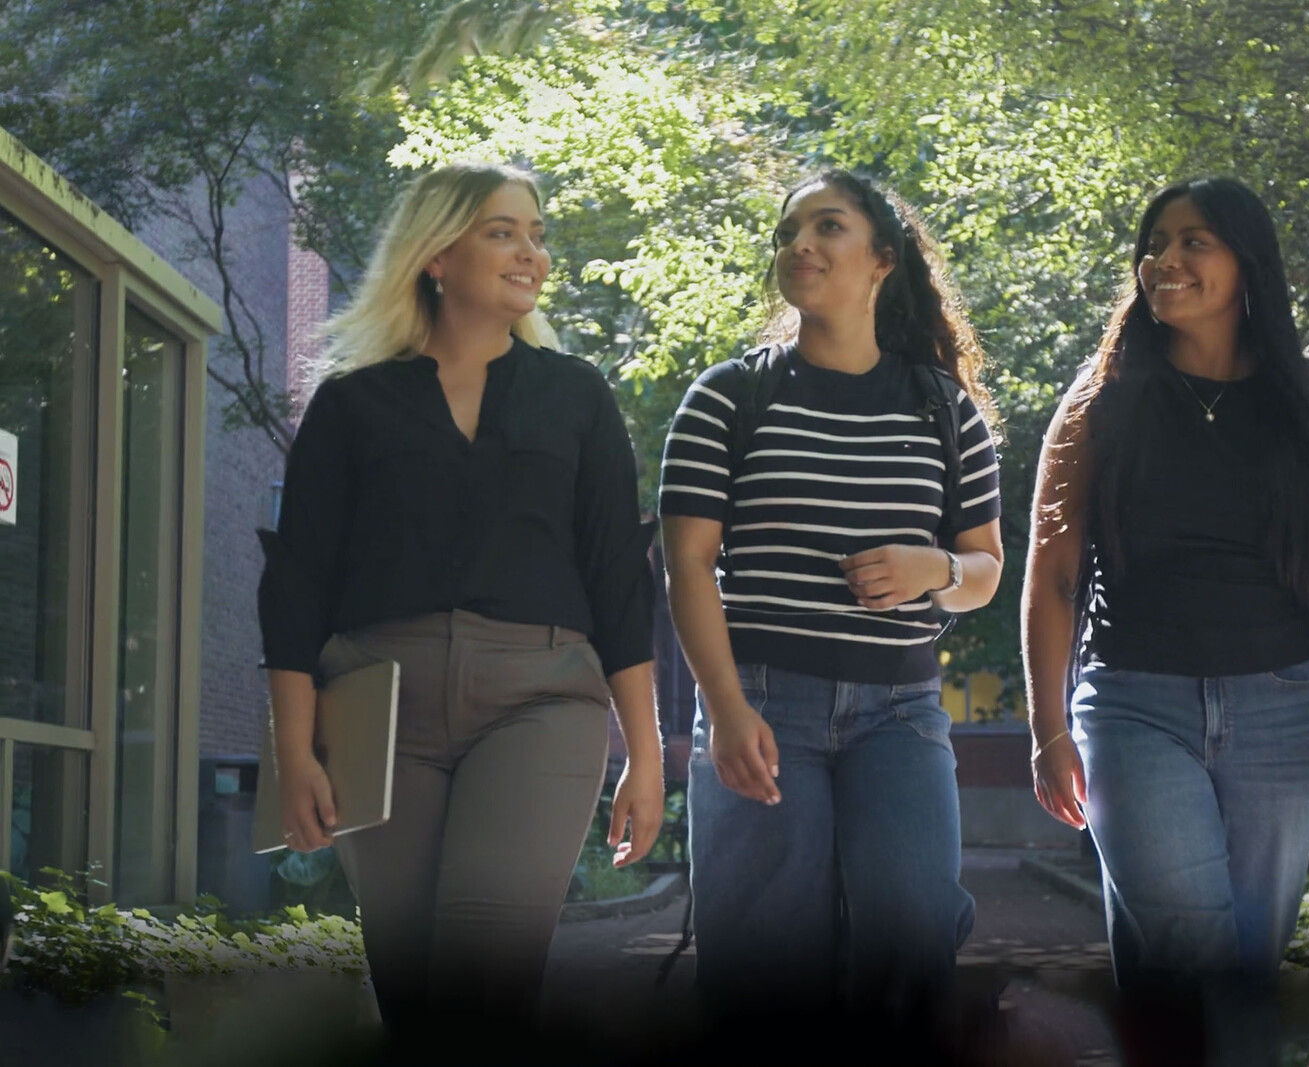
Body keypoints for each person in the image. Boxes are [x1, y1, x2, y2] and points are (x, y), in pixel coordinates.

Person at [257, 162, 663, 1051]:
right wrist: (294, 753)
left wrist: (646, 752)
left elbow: (618, 579)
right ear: (436, 255)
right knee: (411, 992)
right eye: (503, 231)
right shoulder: (352, 404)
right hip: (377, 708)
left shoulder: (578, 397)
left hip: (542, 704)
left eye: (536, 233)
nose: (532, 253)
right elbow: (296, 582)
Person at [1021, 177, 1309, 1064]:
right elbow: (1052, 578)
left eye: (1196, 241)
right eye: (1156, 243)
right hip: (1132, 708)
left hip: (1285, 714)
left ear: (1246, 263)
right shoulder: (1098, 402)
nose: (1167, 259)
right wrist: (1046, 727)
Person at [658, 171, 1004, 1036]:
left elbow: (986, 568)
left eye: (828, 226)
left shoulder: (943, 406)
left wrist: (935, 567)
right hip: (765, 707)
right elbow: (690, 568)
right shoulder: (728, 397)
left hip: (901, 714)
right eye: (789, 231)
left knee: (913, 938)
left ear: (883, 260)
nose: (800, 244)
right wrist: (725, 710)